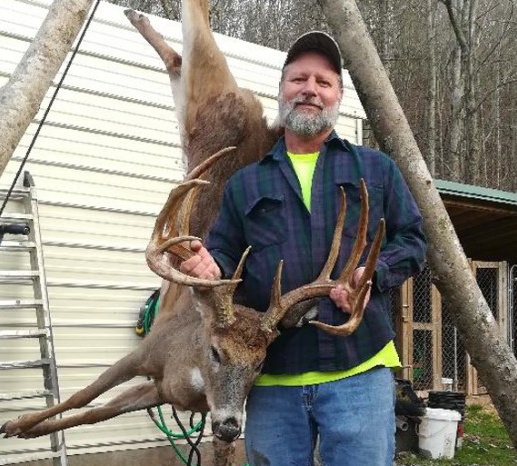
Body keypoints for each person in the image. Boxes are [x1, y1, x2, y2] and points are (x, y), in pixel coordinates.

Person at [180, 31, 427, 466]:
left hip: (358, 368)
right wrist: (205, 264)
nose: (310, 89)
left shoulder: (375, 169)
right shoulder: (245, 183)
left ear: (338, 95)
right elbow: (221, 254)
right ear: (282, 89)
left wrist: (375, 275)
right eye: (298, 79)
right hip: (272, 375)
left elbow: (413, 241)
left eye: (323, 81)